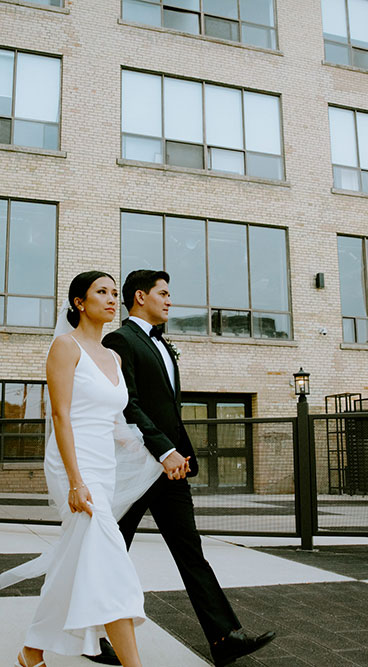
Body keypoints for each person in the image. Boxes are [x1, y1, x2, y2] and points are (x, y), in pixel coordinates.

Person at [101, 269, 276, 667]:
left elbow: (168, 410)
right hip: (137, 468)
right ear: (140, 296)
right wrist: (164, 450)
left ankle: (223, 637)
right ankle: (91, 634)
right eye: (163, 293)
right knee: (109, 552)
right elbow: (127, 404)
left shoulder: (164, 344)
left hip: (170, 471)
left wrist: (178, 453)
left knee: (191, 552)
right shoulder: (120, 340)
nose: (170, 300)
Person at [0, 271, 162, 667]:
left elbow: (115, 421)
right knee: (109, 563)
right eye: (100, 292)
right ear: (78, 302)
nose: (111, 299)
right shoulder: (64, 347)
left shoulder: (115, 356)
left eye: (112, 293)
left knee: (81, 561)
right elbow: (60, 415)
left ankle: (32, 651)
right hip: (73, 464)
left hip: (103, 467)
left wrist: (160, 454)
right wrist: (75, 481)